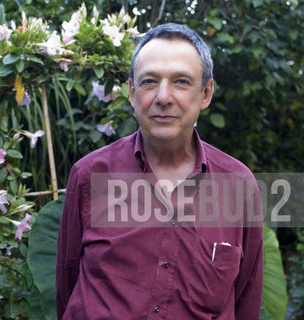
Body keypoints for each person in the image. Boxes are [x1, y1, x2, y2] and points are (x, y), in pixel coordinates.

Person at [56, 23, 263, 320]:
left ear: (206, 93)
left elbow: (247, 300)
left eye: (181, 82)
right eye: (150, 81)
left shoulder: (239, 186)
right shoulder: (90, 175)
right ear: (131, 92)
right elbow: (66, 285)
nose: (163, 97)